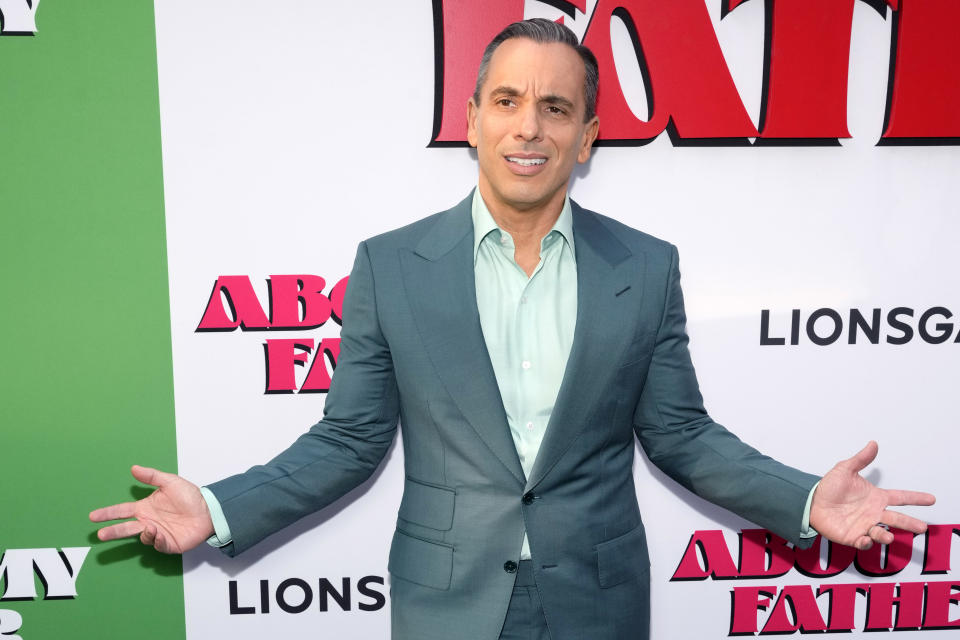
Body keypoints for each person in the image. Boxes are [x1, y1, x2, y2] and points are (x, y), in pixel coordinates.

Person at [90, 19, 935, 640]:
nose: (529, 126)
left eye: (556, 108)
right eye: (507, 100)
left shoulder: (645, 266)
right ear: (473, 119)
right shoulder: (391, 265)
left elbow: (680, 434)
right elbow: (347, 441)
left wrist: (802, 497)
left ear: (587, 138)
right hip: (446, 599)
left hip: (598, 600)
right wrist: (217, 506)